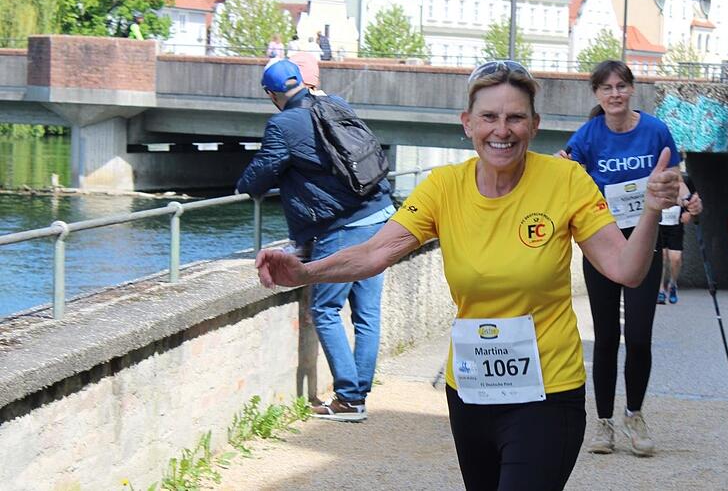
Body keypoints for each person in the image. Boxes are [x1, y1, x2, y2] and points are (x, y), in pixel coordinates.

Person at [255, 60, 681, 489]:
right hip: (471, 390)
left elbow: (626, 269)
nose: (502, 129)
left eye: (515, 117)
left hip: (547, 392)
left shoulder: (566, 180)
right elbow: (374, 253)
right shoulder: (443, 187)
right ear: (468, 123)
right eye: (489, 117)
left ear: (534, 125)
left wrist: (650, 211)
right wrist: (305, 272)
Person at [236, 59, 395, 422]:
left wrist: (243, 184)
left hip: (343, 226)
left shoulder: (282, 123)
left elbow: (263, 172)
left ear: (271, 94)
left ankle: (349, 400)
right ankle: (358, 394)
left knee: (324, 309)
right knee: (366, 312)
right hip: (380, 214)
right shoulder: (336, 104)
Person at [558, 60, 701, 457]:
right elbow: (564, 172)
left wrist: (688, 197)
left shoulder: (655, 130)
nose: (615, 94)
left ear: (632, 89)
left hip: (644, 240)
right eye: (606, 88)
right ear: (597, 95)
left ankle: (634, 415)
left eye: (621, 86)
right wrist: (560, 166)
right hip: (602, 242)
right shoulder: (589, 134)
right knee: (605, 338)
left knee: (638, 337)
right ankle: (603, 424)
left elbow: (674, 177)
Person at [657, 175, 696, 305]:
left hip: (676, 224)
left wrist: (688, 213)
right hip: (660, 223)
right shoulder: (656, 177)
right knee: (661, 257)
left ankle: (673, 284)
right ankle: (660, 290)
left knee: (675, 258)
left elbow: (694, 198)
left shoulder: (685, 180)